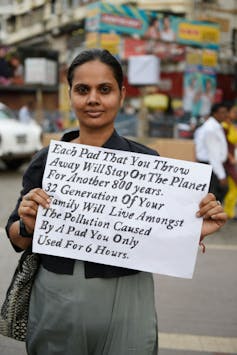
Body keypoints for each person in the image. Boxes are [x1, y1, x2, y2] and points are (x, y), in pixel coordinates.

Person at [5, 49, 227, 355]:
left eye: (104, 89)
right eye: (83, 90)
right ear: (70, 95)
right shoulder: (47, 161)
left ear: (121, 95)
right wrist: (28, 225)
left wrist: (195, 230)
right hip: (55, 302)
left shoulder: (147, 163)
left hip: (128, 305)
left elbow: (161, 238)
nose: (93, 99)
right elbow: (15, 236)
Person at [194, 102, 229, 203]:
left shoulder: (214, 126)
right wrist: (221, 175)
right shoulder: (210, 129)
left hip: (212, 166)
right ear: (215, 114)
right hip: (211, 167)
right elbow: (213, 155)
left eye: (226, 112)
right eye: (222, 112)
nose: (225, 115)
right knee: (213, 197)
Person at [222, 103, 237, 219]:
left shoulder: (231, 126)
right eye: (234, 112)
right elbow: (222, 145)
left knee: (233, 186)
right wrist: (230, 157)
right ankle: (227, 211)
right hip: (227, 161)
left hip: (232, 160)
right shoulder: (224, 127)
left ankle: (229, 211)